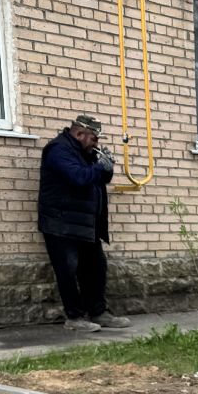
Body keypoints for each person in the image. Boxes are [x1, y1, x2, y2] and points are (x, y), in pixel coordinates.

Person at [37, 113, 130, 333]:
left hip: (85, 224)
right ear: (79, 134)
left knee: (96, 268)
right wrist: (99, 167)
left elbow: (101, 178)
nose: (96, 144)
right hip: (61, 224)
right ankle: (74, 317)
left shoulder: (85, 152)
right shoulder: (58, 150)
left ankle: (98, 312)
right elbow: (78, 177)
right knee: (67, 270)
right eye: (94, 139)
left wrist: (105, 166)